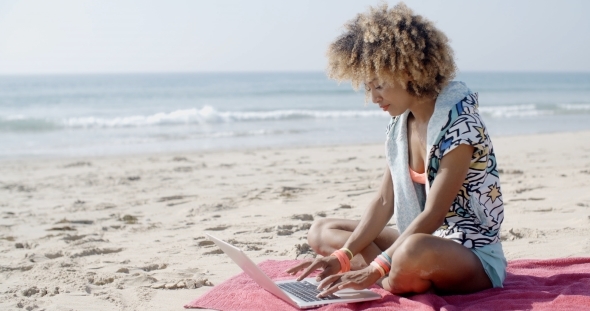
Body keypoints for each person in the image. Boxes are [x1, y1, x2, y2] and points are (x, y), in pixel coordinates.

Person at [286, 2, 507, 297]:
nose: (373, 97)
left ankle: (381, 275)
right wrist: (343, 256)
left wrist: (376, 266)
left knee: (412, 250)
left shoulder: (460, 127)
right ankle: (378, 271)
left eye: (379, 85)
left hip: (469, 251)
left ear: (407, 72)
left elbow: (434, 214)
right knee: (322, 230)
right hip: (419, 239)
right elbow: (383, 201)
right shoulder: (400, 123)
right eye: (367, 87)